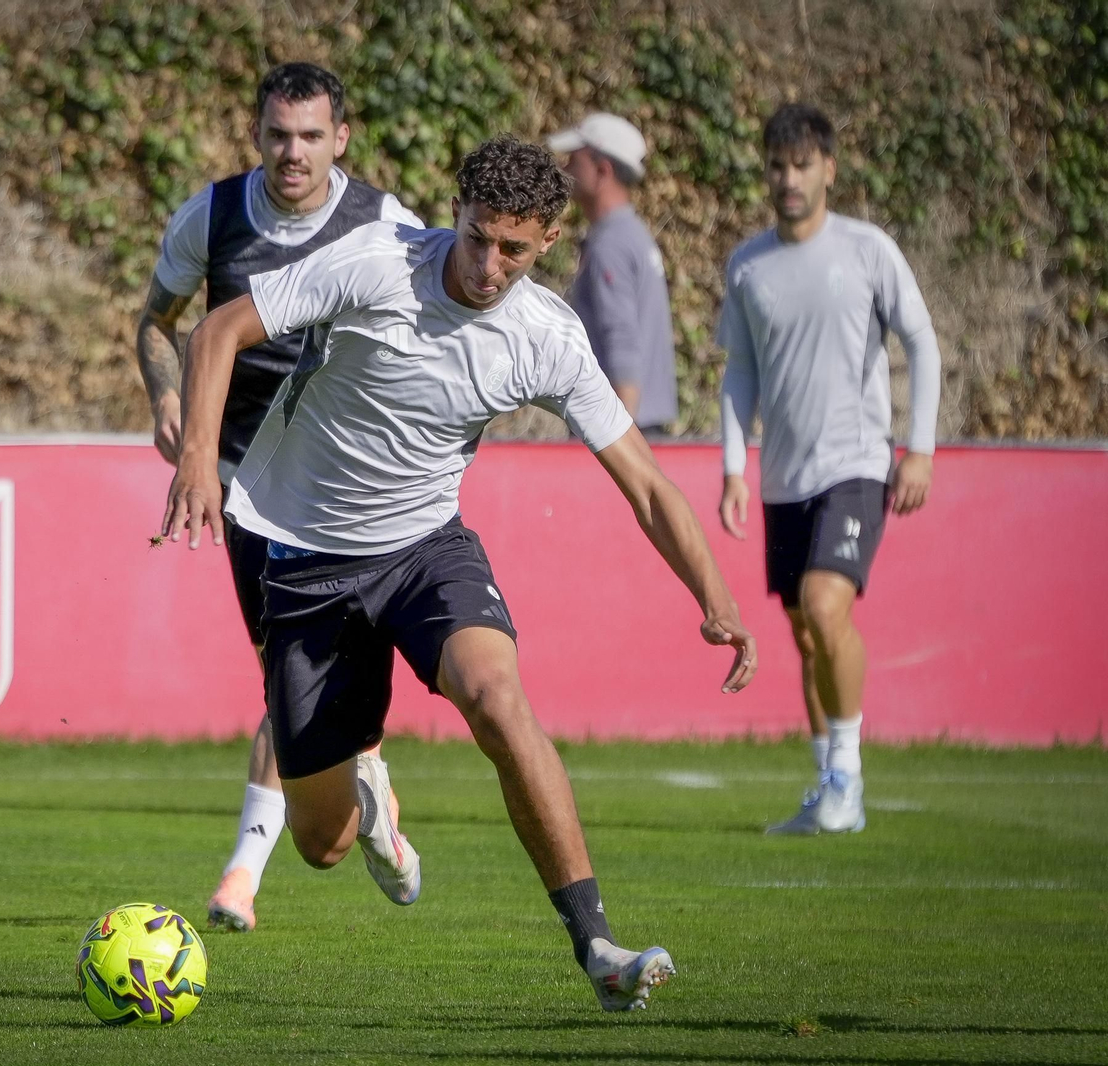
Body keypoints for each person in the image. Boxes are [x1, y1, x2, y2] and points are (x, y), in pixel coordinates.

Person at [162, 135, 757, 1012]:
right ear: (457, 214)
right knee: (323, 844)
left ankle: (595, 941)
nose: (487, 263)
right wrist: (198, 462)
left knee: (499, 699)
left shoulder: (545, 337)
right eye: (477, 236)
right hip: (307, 560)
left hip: (424, 552)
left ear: (548, 240)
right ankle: (372, 792)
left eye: (512, 248)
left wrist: (714, 595)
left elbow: (646, 483)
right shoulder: (374, 263)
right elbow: (219, 330)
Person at [134, 61, 425, 932]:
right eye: (277, 136)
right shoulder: (214, 216)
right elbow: (157, 319)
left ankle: (241, 876)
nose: (292, 154)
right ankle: (366, 784)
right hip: (242, 487)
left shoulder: (387, 226)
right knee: (296, 681)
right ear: (257, 134)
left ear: (341, 138)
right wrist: (168, 401)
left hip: (345, 485)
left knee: (296, 675)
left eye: (310, 137)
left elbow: (427, 338)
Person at [716, 103, 941, 835]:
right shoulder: (748, 264)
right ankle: (828, 790)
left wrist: (921, 448)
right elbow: (739, 371)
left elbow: (923, 343)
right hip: (784, 477)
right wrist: (734, 468)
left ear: (829, 171)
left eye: (802, 164)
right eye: (777, 165)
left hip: (857, 463)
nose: (789, 178)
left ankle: (849, 777)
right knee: (805, 634)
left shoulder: (867, 249)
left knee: (823, 604)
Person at [548, 113, 678, 436]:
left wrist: (622, 441)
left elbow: (621, 338)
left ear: (602, 170)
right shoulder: (631, 234)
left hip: (621, 430)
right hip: (640, 427)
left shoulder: (611, 243)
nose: (565, 169)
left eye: (573, 161)